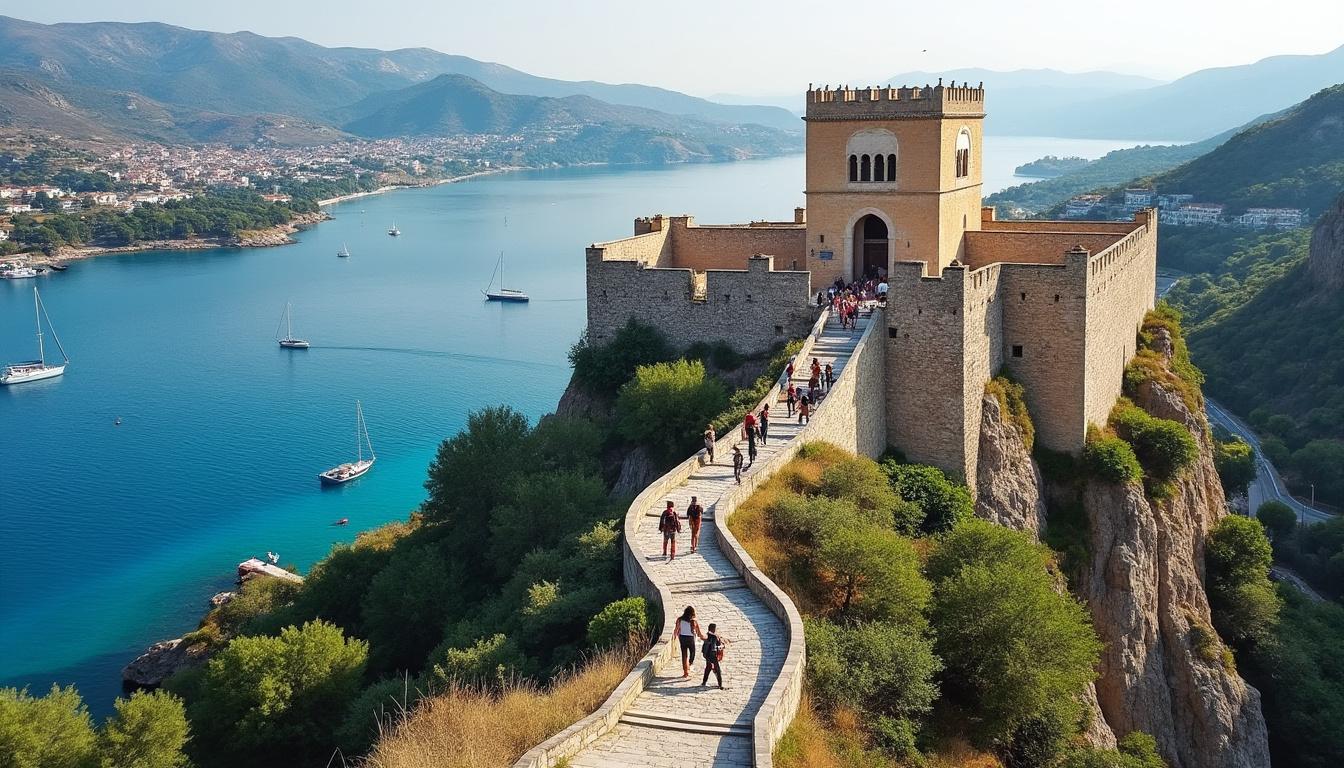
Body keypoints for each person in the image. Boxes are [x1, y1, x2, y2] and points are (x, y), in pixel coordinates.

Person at [677, 606, 705, 677]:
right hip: (690, 639)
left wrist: (675, 637)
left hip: (682, 638)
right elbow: (699, 634)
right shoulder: (694, 622)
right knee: (692, 653)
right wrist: (706, 638)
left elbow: (676, 629)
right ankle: (689, 664)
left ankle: (685, 672)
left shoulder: (679, 620)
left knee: (684, 655)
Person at [701, 623, 728, 689]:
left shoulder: (706, 635)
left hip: (707, 655)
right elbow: (715, 647)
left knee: (708, 668)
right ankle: (720, 684)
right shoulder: (714, 637)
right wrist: (722, 646)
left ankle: (704, 682)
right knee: (717, 670)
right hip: (713, 655)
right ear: (713, 629)